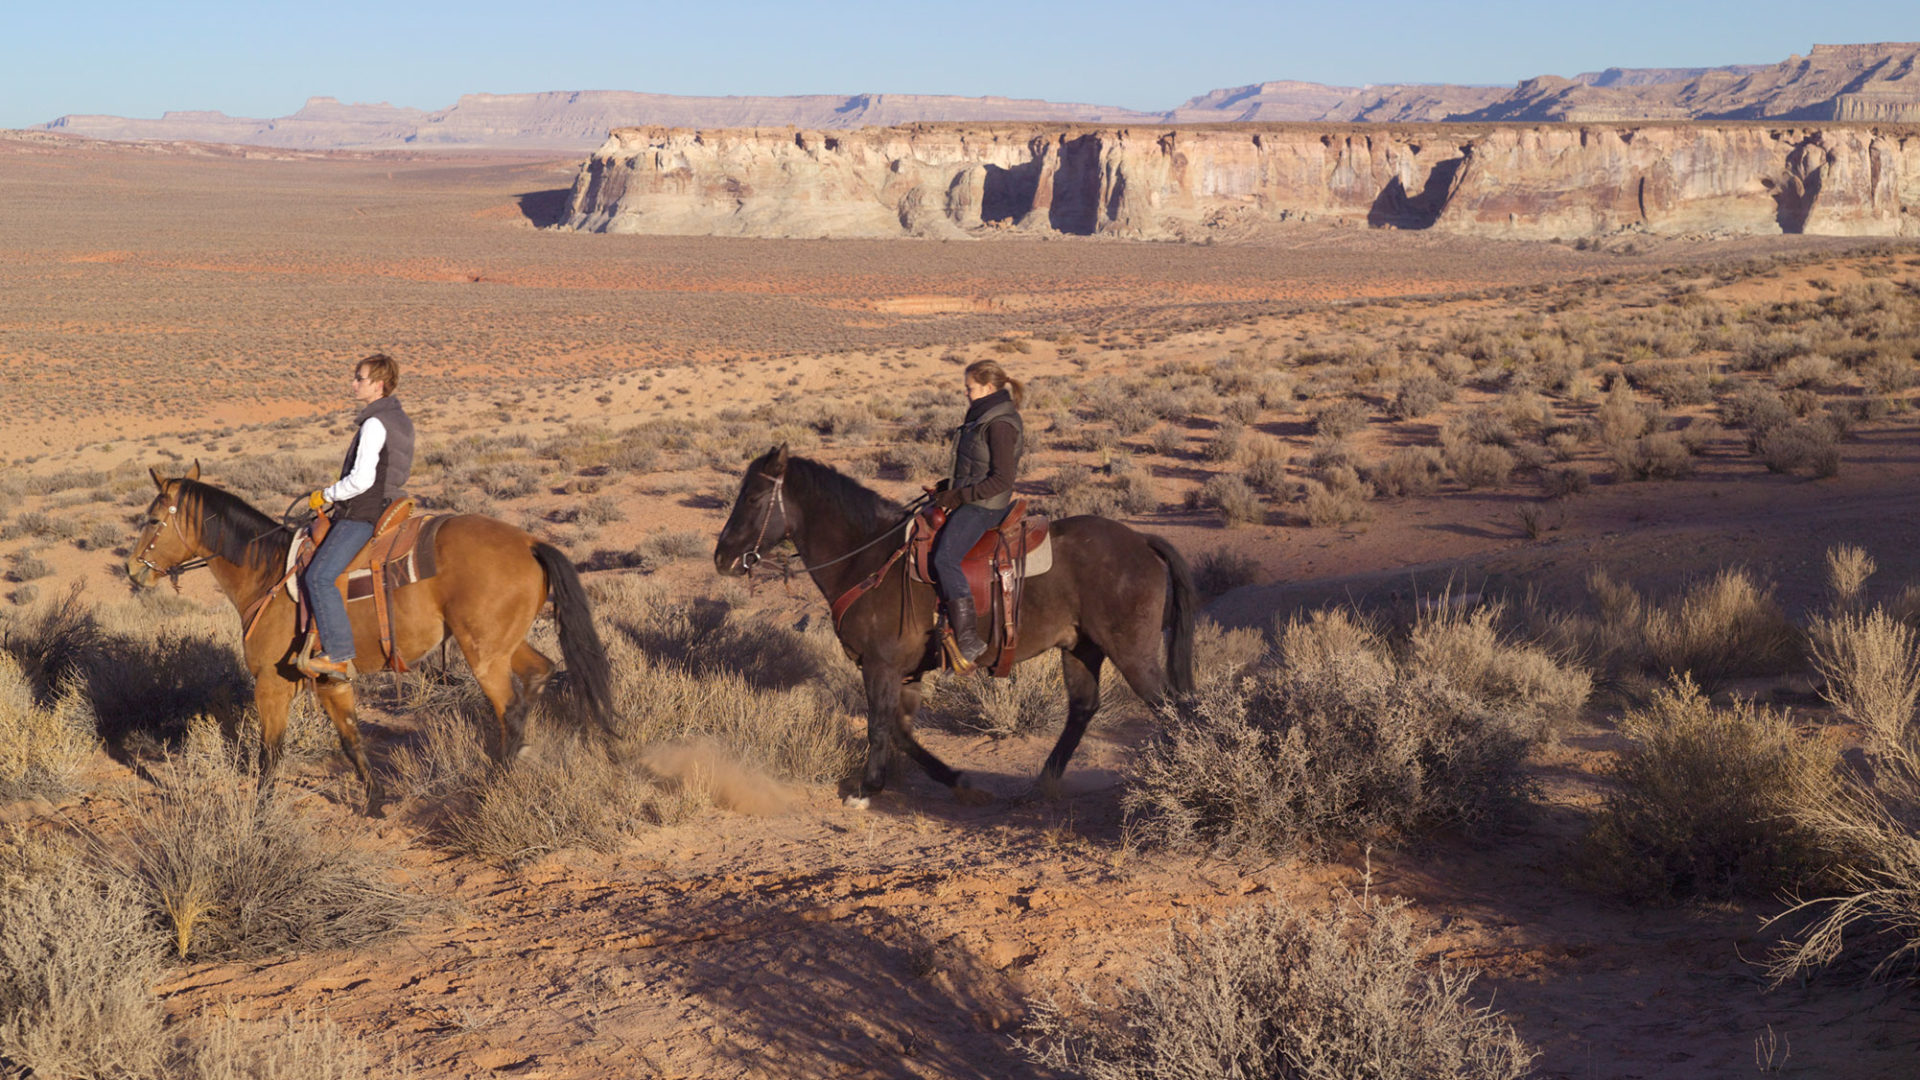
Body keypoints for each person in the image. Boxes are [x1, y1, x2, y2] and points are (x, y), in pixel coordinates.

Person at [299, 353, 414, 679]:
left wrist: (326, 495)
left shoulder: (375, 423)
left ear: (378, 385)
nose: (353, 383)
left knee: (319, 576)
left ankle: (337, 654)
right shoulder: (400, 418)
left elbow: (362, 480)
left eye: (359, 378)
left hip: (364, 512)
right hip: (389, 504)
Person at [927, 359, 1024, 665]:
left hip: (986, 508)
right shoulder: (981, 417)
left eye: (969, 388)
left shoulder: (999, 423)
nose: (966, 393)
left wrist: (958, 496)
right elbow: (975, 467)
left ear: (987, 387)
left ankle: (968, 638)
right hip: (972, 499)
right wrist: (947, 488)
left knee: (945, 557)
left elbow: (1001, 480)